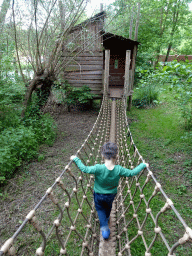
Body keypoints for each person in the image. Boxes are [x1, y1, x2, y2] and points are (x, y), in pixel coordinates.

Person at [70, 142, 148, 240]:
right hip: (111, 195)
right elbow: (132, 173)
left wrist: (75, 159)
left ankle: (105, 229)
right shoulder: (119, 169)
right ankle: (106, 218)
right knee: (108, 207)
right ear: (117, 155)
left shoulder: (98, 168)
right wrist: (142, 165)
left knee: (100, 209)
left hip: (98, 195)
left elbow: (84, 169)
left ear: (102, 155)